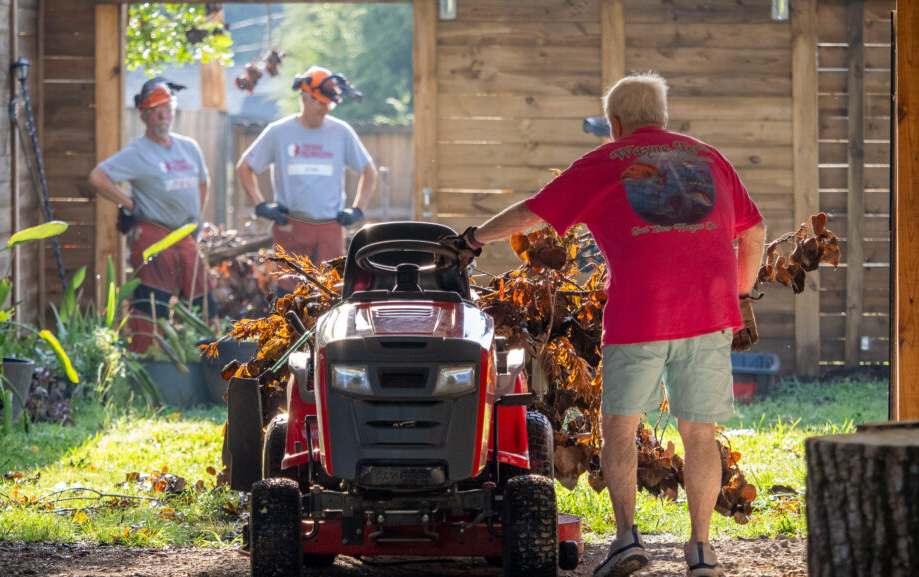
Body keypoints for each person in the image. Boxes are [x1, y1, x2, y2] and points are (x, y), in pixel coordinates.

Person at [444, 72, 766, 577]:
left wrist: (473, 238)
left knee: (619, 427)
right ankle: (702, 552)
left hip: (641, 314)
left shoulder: (603, 163)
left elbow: (531, 214)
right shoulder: (710, 158)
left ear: (615, 124)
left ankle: (625, 540)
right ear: (661, 117)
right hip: (708, 316)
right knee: (699, 435)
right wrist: (740, 295)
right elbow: (756, 230)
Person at [87, 77, 214, 353]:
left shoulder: (188, 147)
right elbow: (97, 177)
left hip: (186, 236)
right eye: (155, 111)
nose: (163, 116)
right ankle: (148, 360)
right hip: (154, 236)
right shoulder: (137, 152)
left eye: (167, 109)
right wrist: (129, 203)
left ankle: (203, 357)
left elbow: (204, 181)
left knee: (203, 298)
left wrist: (196, 218)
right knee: (151, 305)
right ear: (144, 116)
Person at [236, 66, 378, 266]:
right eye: (320, 103)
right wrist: (260, 205)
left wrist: (357, 210)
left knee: (331, 292)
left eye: (329, 104)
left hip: (331, 229)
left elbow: (369, 171)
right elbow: (244, 167)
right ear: (304, 98)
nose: (326, 109)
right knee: (290, 293)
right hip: (291, 228)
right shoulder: (278, 132)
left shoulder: (341, 132)